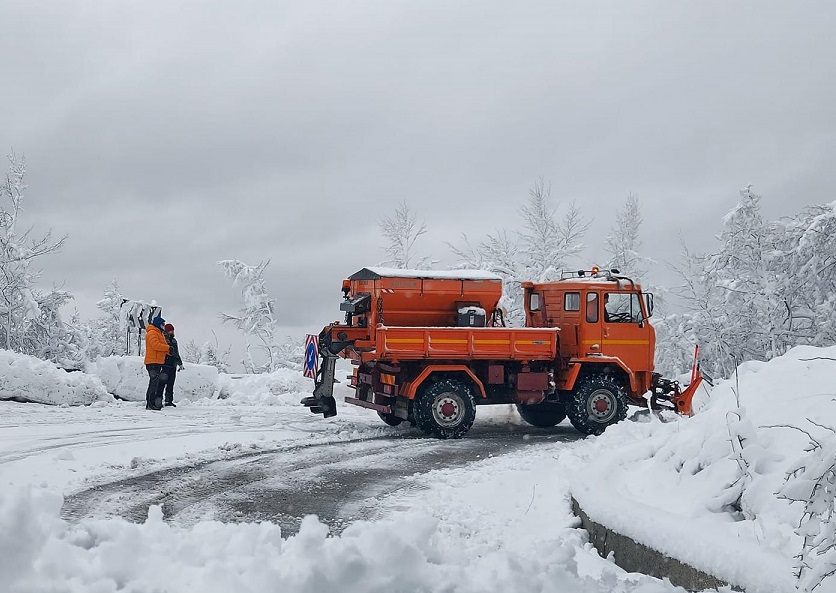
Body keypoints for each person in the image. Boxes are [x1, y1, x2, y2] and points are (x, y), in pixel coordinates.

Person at [144, 316, 170, 410]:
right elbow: (156, 345)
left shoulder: (159, 333)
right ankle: (150, 404)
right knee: (153, 384)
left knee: (155, 383)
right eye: (163, 324)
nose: (164, 326)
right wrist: (167, 348)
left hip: (157, 361)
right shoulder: (152, 333)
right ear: (158, 324)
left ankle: (152, 403)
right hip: (152, 362)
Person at [162, 323, 184, 407]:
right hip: (165, 364)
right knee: (162, 383)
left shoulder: (174, 341)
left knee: (171, 383)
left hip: (173, 364)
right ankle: (159, 399)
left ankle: (169, 400)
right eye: (170, 330)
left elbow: (176, 353)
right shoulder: (163, 339)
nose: (172, 332)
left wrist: (180, 363)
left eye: (172, 330)